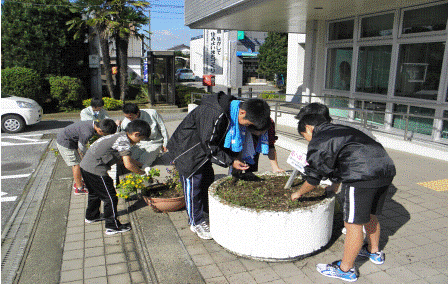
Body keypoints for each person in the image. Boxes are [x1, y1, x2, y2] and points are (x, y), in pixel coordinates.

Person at [291, 114, 396, 282]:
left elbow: (313, 178)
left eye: (305, 137)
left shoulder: (321, 138)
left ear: (309, 128)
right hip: (385, 170)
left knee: (353, 224)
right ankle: (374, 251)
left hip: (361, 176)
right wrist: (335, 185)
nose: (308, 141)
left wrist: (298, 193)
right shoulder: (341, 129)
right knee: (370, 214)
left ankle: (345, 269)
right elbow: (344, 158)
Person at [167, 92, 271, 240]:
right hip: (187, 150)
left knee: (206, 180)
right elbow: (208, 144)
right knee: (193, 185)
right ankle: (195, 222)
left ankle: (204, 213)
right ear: (242, 112)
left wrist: (233, 157)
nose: (246, 127)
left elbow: (218, 139)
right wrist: (230, 161)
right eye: (247, 124)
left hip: (202, 152)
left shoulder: (233, 109)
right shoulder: (214, 112)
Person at [80, 119, 151, 235]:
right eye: (141, 139)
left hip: (85, 166)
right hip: (96, 169)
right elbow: (128, 165)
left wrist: (142, 165)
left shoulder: (120, 136)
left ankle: (91, 216)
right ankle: (112, 226)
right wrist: (142, 173)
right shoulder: (124, 141)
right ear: (136, 134)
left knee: (94, 194)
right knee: (110, 197)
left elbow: (126, 159)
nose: (139, 142)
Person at [56, 119, 117, 195]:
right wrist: (88, 157)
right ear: (100, 130)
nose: (104, 136)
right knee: (76, 165)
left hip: (71, 139)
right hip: (64, 142)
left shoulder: (94, 124)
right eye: (105, 134)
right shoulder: (87, 132)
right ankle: (79, 188)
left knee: (80, 163)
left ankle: (80, 181)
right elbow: (81, 147)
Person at [119, 103, 169, 167]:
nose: (129, 119)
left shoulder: (152, 113)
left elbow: (162, 128)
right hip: (139, 143)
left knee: (144, 162)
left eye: (131, 117)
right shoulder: (125, 121)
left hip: (154, 142)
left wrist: (165, 143)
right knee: (130, 159)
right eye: (127, 117)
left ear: (138, 113)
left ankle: (153, 156)